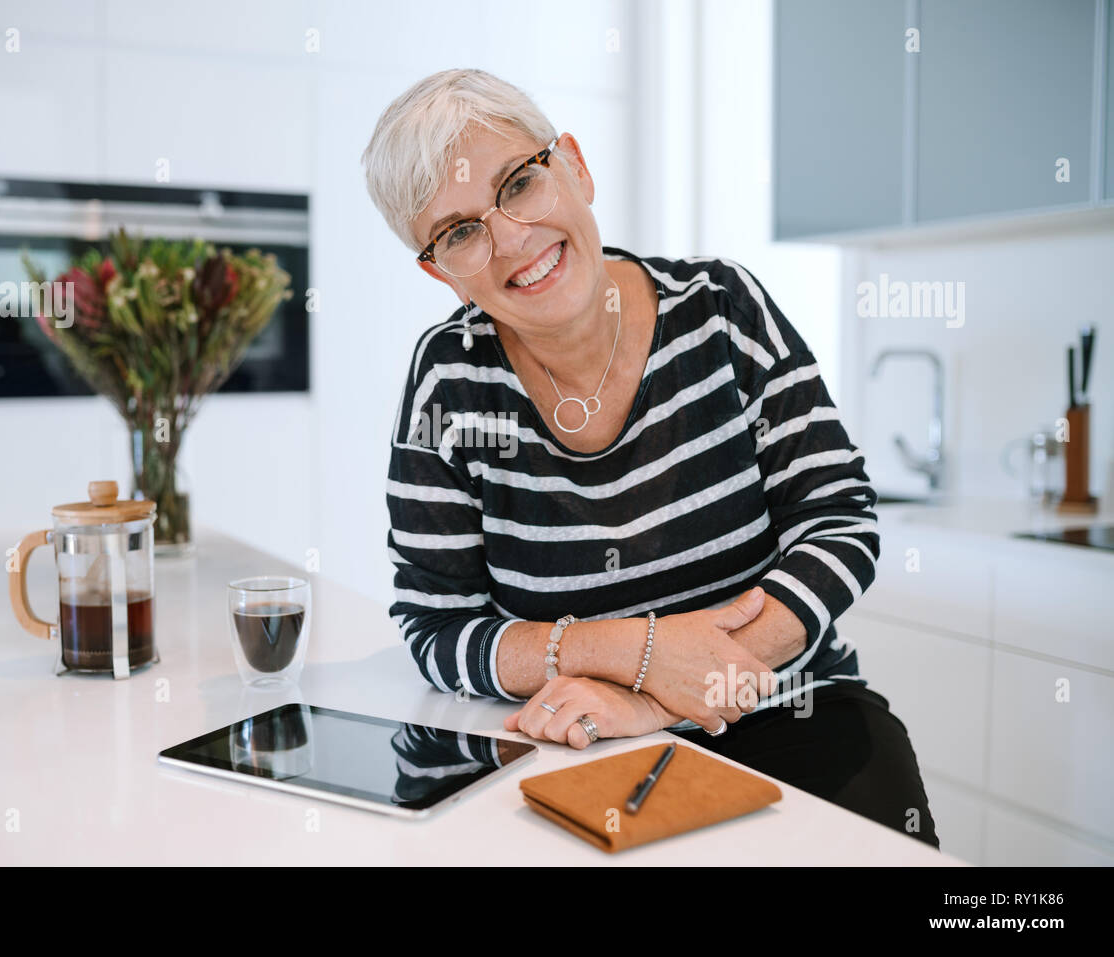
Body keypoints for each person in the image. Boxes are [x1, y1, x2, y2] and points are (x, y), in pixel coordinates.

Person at [362, 68, 938, 849]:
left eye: (519, 184)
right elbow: (436, 623)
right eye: (460, 232)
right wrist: (634, 651)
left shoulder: (723, 312)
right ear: (439, 270)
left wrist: (664, 696)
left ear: (575, 166)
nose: (510, 241)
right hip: (583, 747)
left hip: (797, 714)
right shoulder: (450, 383)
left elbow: (839, 521)